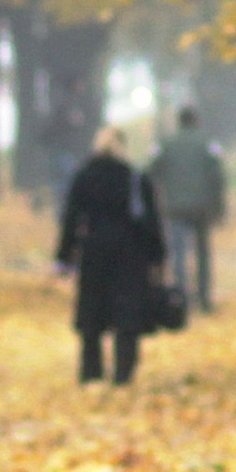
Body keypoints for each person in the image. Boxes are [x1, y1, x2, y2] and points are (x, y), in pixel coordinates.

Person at [55, 126, 167, 385]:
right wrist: (157, 257)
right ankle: (123, 373)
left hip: (94, 251)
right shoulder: (135, 178)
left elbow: (71, 219)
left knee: (92, 314)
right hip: (130, 254)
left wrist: (64, 256)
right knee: (127, 316)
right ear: (122, 147)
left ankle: (90, 372)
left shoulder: (84, 177)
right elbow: (151, 221)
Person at [148, 107, 227, 314]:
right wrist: (219, 208)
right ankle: (204, 298)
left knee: (178, 252)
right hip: (202, 207)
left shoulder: (166, 144)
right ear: (196, 121)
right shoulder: (208, 143)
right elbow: (217, 176)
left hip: (175, 207)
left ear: (179, 122)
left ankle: (181, 297)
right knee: (202, 253)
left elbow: (152, 171)